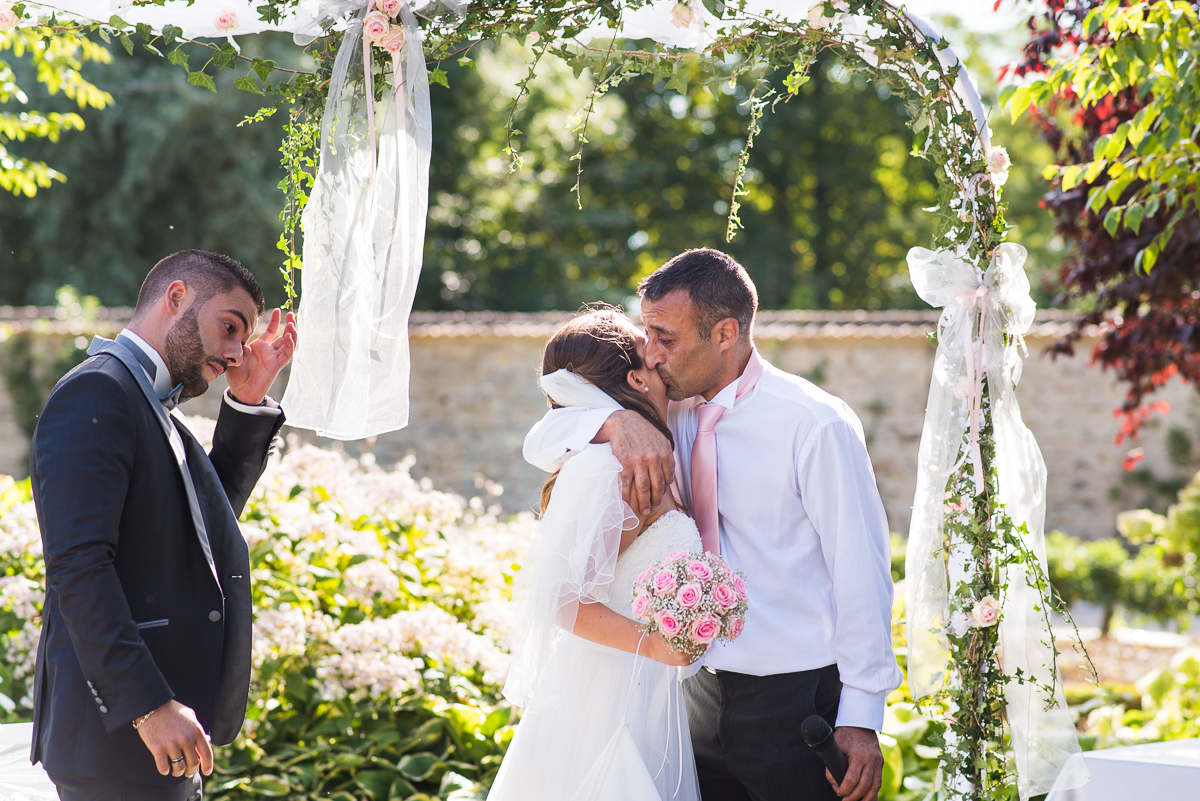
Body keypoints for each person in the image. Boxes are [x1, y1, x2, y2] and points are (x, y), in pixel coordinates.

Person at [523, 249, 902, 801]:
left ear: (725, 333)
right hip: (689, 696)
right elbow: (542, 437)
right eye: (647, 333)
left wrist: (863, 714)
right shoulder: (664, 409)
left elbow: (861, 572)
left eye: (665, 338)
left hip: (792, 699)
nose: (651, 355)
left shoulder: (813, 423)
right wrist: (615, 419)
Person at [29, 249, 298, 801]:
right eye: (229, 327)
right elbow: (79, 567)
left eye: (241, 339)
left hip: (157, 737)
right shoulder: (97, 392)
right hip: (115, 739)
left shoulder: (151, 404)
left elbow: (201, 528)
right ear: (176, 298)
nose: (233, 352)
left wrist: (246, 404)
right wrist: (147, 705)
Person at [489, 309, 704, 801]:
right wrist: (654, 644)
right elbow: (562, 599)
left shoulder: (635, 446)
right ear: (633, 378)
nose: (660, 357)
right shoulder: (615, 468)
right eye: (650, 356)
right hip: (610, 693)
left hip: (637, 685)